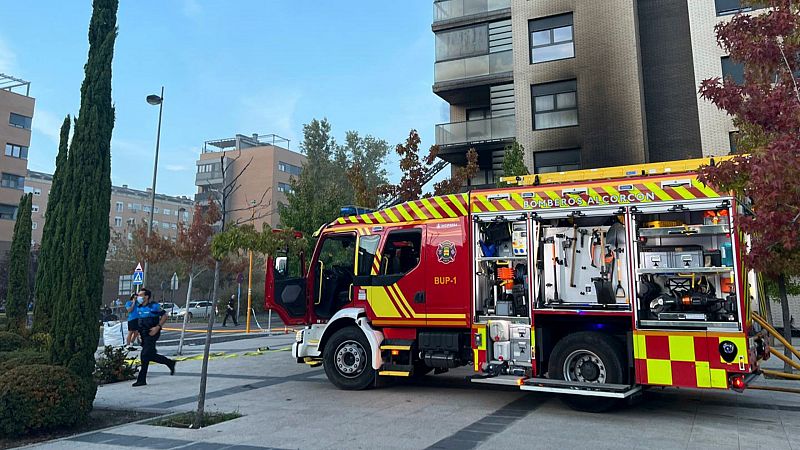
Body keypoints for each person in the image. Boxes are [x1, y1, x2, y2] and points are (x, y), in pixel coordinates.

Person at [132, 288, 175, 387]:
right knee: (149, 356)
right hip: (143, 333)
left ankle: (141, 379)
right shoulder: (138, 307)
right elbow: (139, 322)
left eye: (140, 295)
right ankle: (170, 362)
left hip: (152, 332)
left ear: (146, 296)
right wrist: (138, 334)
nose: (138, 297)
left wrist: (158, 327)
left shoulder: (154, 306)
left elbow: (164, 315)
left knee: (144, 355)